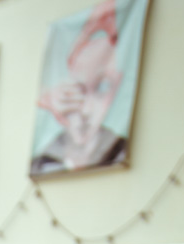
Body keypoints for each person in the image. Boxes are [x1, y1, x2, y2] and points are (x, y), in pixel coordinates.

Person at [31, 0, 125, 175]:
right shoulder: (42, 161)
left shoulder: (120, 151)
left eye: (101, 89)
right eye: (79, 90)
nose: (86, 110)